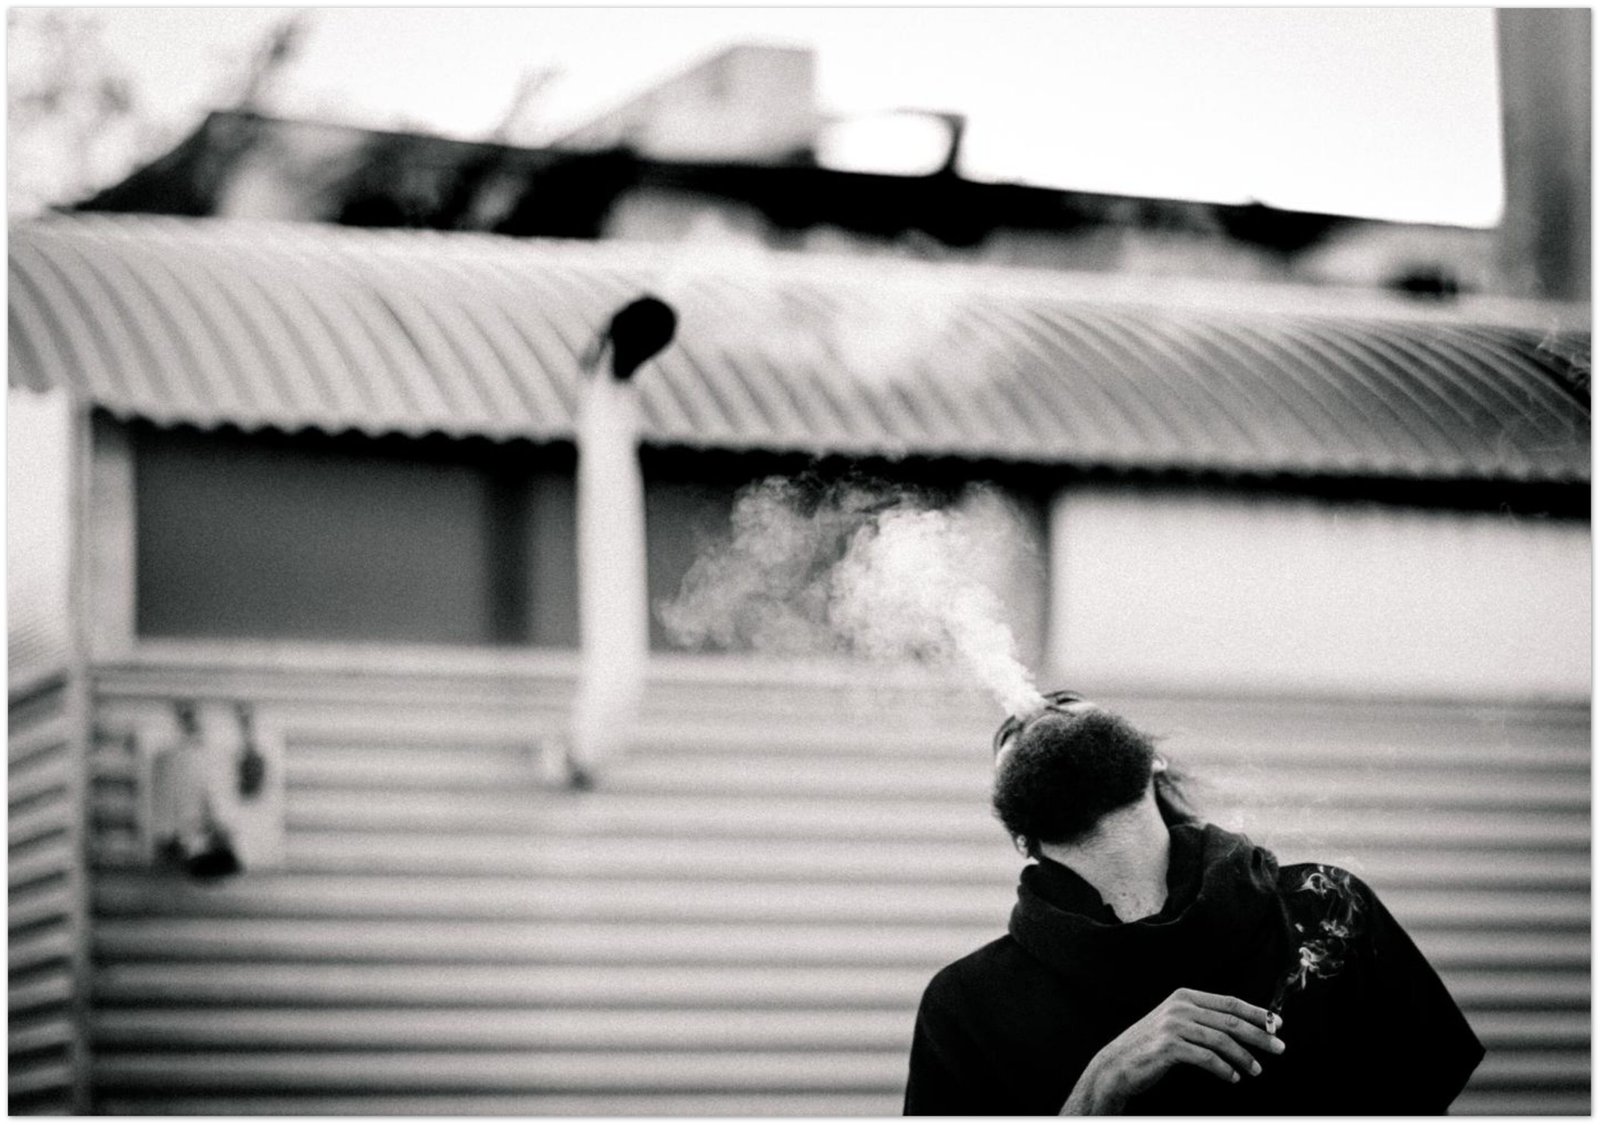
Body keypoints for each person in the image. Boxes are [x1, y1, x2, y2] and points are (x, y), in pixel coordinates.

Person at [903, 691, 1484, 1115]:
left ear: (1151, 761)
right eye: (1011, 735)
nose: (1034, 712)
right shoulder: (966, 1003)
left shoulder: (1323, 906)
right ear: (1019, 832)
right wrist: (1096, 1092)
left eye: (1065, 702)